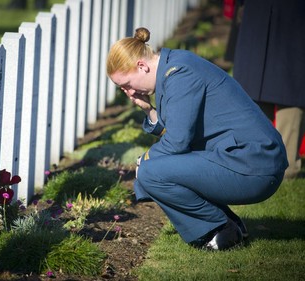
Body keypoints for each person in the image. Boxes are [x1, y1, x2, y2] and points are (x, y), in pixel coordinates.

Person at [106, 27, 288, 250]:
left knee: (150, 172)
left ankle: (218, 230)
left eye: (126, 85)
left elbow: (177, 142)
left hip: (255, 165)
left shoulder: (179, 75)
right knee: (154, 169)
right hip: (247, 157)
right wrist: (148, 111)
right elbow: (179, 132)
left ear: (142, 66)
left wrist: (143, 162)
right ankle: (230, 224)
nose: (129, 93)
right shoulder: (175, 66)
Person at [232, 0, 305, 179]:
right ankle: (255, 160)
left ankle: (285, 168)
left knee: (290, 87)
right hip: (261, 12)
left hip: (292, 14)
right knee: (252, 89)